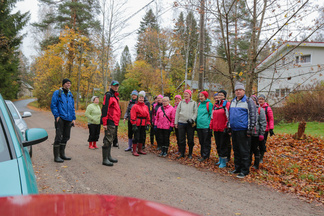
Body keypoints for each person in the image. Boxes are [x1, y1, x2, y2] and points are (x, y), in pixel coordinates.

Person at [228, 82, 256, 178]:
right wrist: (229, 126)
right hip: (234, 129)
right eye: (236, 90)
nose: (238, 92)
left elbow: (253, 115)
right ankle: (238, 168)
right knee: (236, 150)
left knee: (244, 150)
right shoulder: (233, 101)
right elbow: (230, 116)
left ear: (243, 91)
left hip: (244, 130)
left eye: (240, 90)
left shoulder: (248, 101)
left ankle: (245, 170)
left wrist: (250, 128)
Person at [50, 78, 76, 163]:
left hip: (69, 119)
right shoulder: (57, 93)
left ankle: (62, 154)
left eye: (70, 83)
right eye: (67, 83)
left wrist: (73, 118)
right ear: (63, 84)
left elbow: (72, 107)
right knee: (58, 137)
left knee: (66, 136)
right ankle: (56, 156)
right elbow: (53, 105)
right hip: (60, 118)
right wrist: (56, 116)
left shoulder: (70, 94)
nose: (69, 84)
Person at [101, 80, 121, 166]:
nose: (116, 87)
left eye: (117, 85)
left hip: (114, 121)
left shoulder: (115, 96)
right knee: (107, 139)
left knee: (111, 139)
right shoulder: (108, 95)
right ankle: (105, 159)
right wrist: (104, 123)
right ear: (111, 86)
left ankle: (108, 156)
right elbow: (105, 108)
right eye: (114, 85)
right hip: (109, 121)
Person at [210, 90, 231, 168]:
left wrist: (227, 127)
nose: (219, 96)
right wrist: (211, 126)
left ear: (225, 96)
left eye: (221, 95)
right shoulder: (215, 105)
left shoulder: (227, 104)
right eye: (218, 95)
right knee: (218, 145)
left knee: (223, 145)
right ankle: (220, 159)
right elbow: (212, 117)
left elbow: (228, 117)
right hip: (216, 128)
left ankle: (224, 161)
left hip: (223, 129)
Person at [174, 89, 197, 159]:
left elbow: (195, 112)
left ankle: (190, 153)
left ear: (190, 95)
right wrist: (176, 122)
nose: (185, 95)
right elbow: (177, 112)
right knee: (181, 139)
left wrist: (192, 119)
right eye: (184, 94)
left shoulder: (193, 103)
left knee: (190, 139)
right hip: (181, 122)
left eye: (187, 94)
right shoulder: (181, 103)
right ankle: (182, 153)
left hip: (189, 123)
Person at [130, 91, 150, 156]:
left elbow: (148, 116)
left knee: (142, 137)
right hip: (137, 123)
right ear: (138, 99)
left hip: (144, 123)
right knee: (136, 137)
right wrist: (134, 124)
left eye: (142, 98)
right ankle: (134, 150)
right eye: (140, 98)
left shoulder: (146, 106)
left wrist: (148, 123)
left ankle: (140, 150)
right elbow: (133, 115)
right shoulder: (135, 106)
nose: (141, 99)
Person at [250, 95, 267, 169]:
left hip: (256, 134)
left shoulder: (260, 110)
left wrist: (261, 134)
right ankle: (248, 162)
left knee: (256, 149)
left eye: (253, 100)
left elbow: (263, 123)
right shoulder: (247, 109)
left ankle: (256, 164)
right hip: (248, 133)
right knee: (248, 150)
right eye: (251, 100)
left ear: (256, 101)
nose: (252, 102)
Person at [196, 91, 213, 162]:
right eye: (200, 96)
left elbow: (211, 115)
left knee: (206, 141)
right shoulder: (199, 104)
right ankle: (202, 155)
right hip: (199, 126)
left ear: (206, 97)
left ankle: (206, 156)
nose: (200, 97)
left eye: (202, 96)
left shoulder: (209, 104)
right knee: (201, 141)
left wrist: (209, 124)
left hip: (206, 126)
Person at [258, 94, 275, 163]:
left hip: (265, 129)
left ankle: (261, 157)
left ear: (264, 100)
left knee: (262, 143)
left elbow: (271, 119)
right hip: (256, 129)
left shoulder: (267, 108)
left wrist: (271, 129)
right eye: (259, 99)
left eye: (262, 99)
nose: (260, 100)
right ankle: (257, 156)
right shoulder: (255, 107)